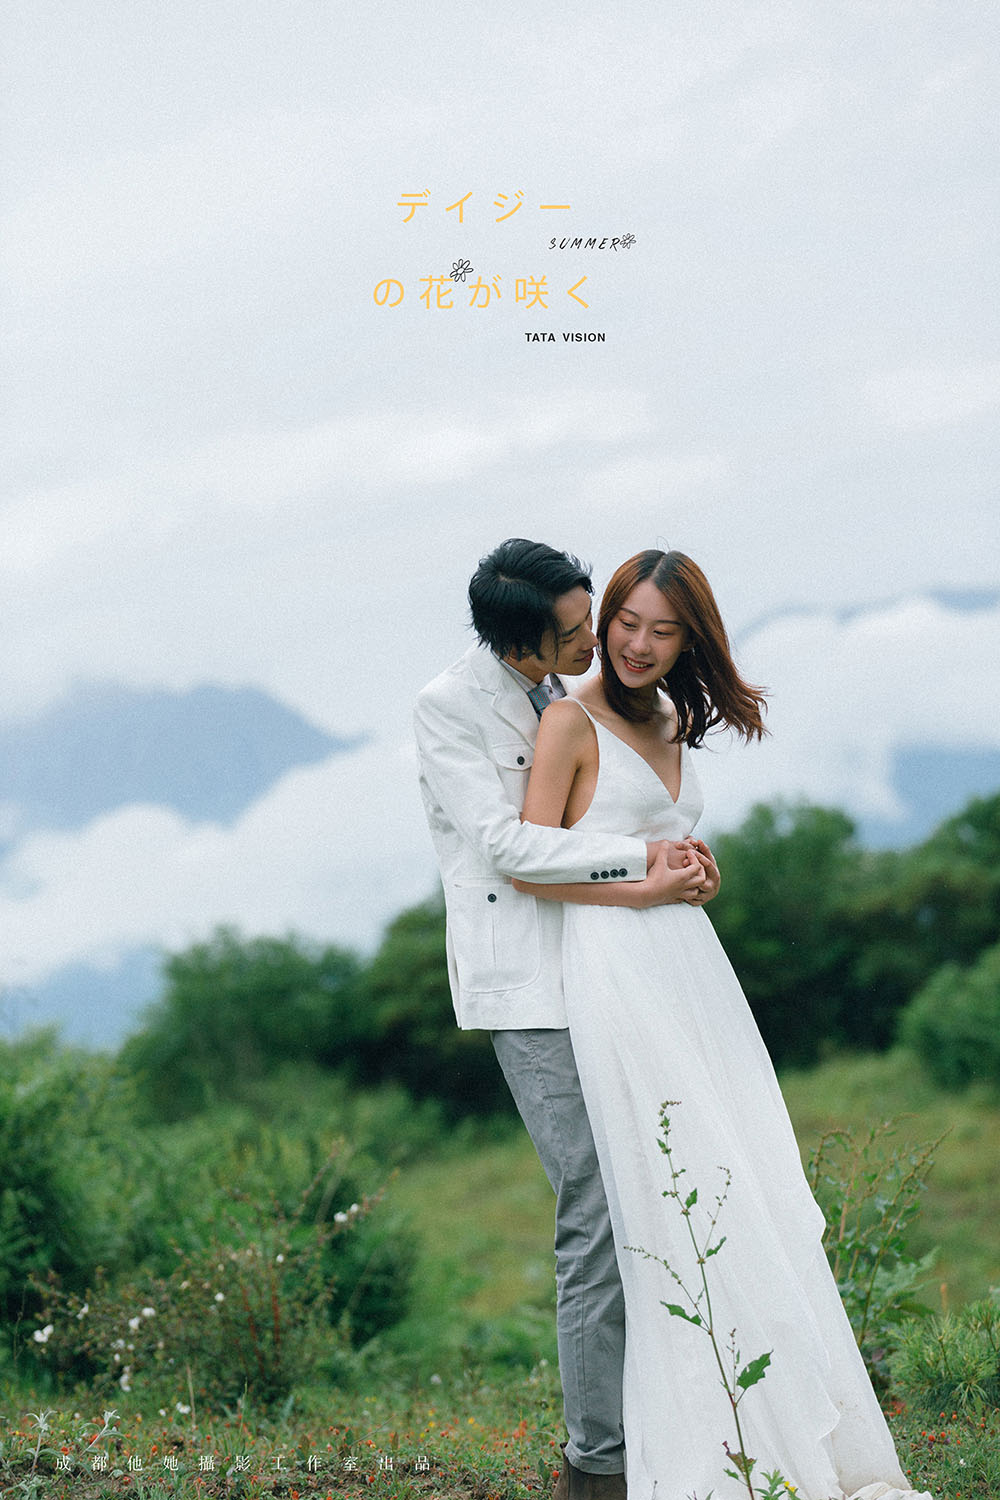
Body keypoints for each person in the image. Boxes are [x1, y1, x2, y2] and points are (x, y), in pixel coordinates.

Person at [511, 547, 931, 1500]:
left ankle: (779, 1418)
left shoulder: (669, 716)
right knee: (675, 1189)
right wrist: (644, 886)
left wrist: (695, 873)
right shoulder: (568, 721)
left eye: (663, 631)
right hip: (617, 968)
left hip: (692, 968)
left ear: (689, 640)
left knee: (744, 1185)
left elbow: (655, 843)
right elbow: (533, 865)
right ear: (604, 619)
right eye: (626, 622)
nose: (638, 644)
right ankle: (700, 1447)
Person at [413, 539, 717, 1499]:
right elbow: (508, 845)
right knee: (592, 1203)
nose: (599, 639)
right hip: (530, 985)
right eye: (577, 630)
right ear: (521, 643)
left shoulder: (572, 692)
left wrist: (679, 861)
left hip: (615, 961)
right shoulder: (449, 708)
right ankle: (597, 1465)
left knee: (661, 1183)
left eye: (595, 617)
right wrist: (641, 868)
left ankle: (675, 1421)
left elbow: (606, 802)